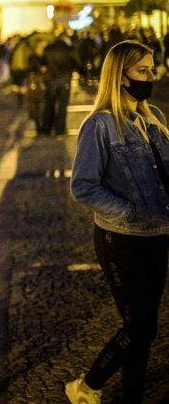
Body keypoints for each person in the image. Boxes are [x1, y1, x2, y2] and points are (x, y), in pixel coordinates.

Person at [67, 41, 169, 404]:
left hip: (158, 235)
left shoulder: (152, 118)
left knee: (146, 327)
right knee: (139, 326)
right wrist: (128, 210)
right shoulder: (100, 125)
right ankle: (87, 387)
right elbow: (83, 186)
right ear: (120, 76)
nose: (151, 77)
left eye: (152, 69)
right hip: (121, 239)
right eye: (143, 71)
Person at [42, 32, 80, 136]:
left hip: (51, 80)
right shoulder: (68, 49)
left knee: (49, 105)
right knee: (62, 106)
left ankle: (47, 128)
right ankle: (60, 129)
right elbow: (76, 62)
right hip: (64, 80)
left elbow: (43, 63)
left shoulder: (48, 48)